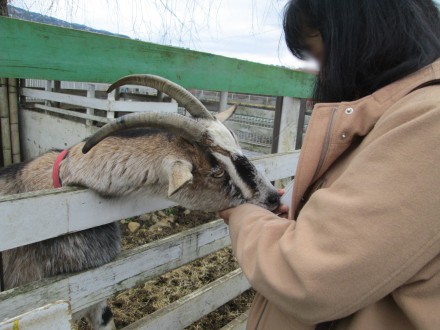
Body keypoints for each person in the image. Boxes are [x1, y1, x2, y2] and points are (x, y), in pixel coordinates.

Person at [219, 0, 440, 329]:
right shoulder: (395, 115)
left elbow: (308, 274)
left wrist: (241, 213)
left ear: (363, 38)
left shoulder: (428, 123)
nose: (321, 73)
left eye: (322, 55)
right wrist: (298, 208)